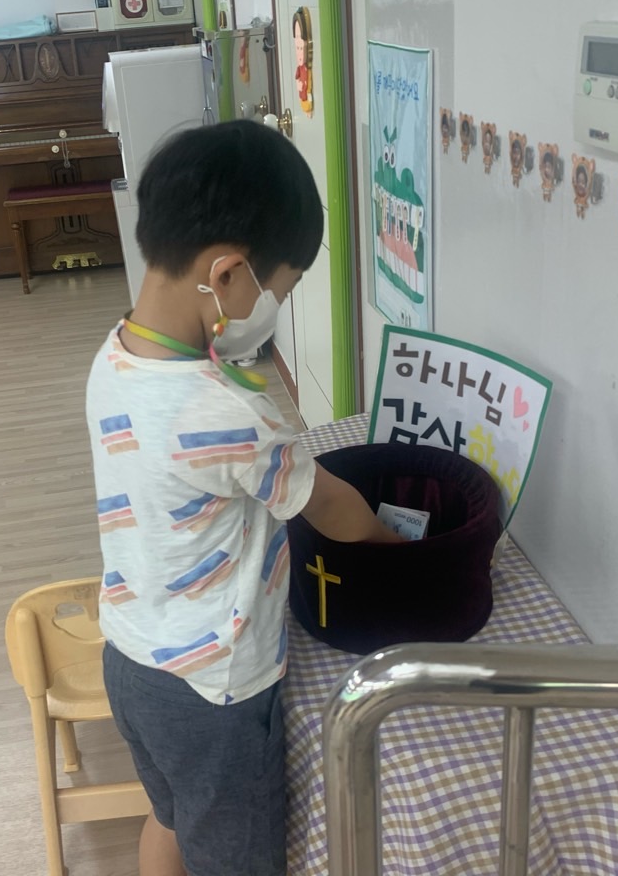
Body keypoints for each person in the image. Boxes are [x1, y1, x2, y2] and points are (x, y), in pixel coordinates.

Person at [86, 120, 402, 876]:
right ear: (226, 275)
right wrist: (396, 546)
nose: (274, 308)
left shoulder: (116, 355)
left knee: (170, 818)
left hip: (130, 658)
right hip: (213, 690)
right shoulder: (228, 414)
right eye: (278, 292)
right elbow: (330, 506)